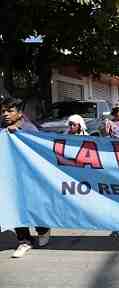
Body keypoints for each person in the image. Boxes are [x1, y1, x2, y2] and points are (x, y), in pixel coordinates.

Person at [0, 96, 51, 258]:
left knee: (32, 206)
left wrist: (19, 135)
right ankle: (24, 240)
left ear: (20, 113)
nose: (5, 114)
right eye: (3, 111)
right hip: (9, 176)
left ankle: (43, 229)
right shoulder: (1, 129)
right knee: (13, 207)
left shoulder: (30, 129)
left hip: (29, 177)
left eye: (10, 110)